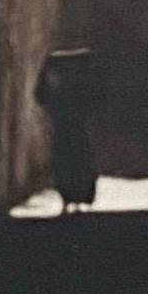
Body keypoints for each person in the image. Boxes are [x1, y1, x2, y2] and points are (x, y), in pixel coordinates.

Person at [34, 49, 99, 210]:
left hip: (64, 126)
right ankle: (77, 197)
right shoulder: (79, 73)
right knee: (77, 159)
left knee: (66, 160)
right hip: (73, 127)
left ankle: (70, 197)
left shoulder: (55, 69)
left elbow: (41, 95)